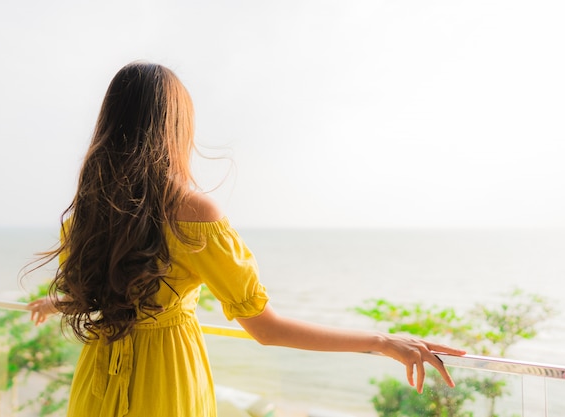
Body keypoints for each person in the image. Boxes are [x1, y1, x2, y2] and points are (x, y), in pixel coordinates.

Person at [27, 61, 466, 417]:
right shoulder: (193, 213)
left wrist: (60, 301)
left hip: (96, 379)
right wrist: (382, 341)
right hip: (166, 380)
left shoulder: (93, 205)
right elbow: (267, 329)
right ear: (175, 126)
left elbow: (117, 289)